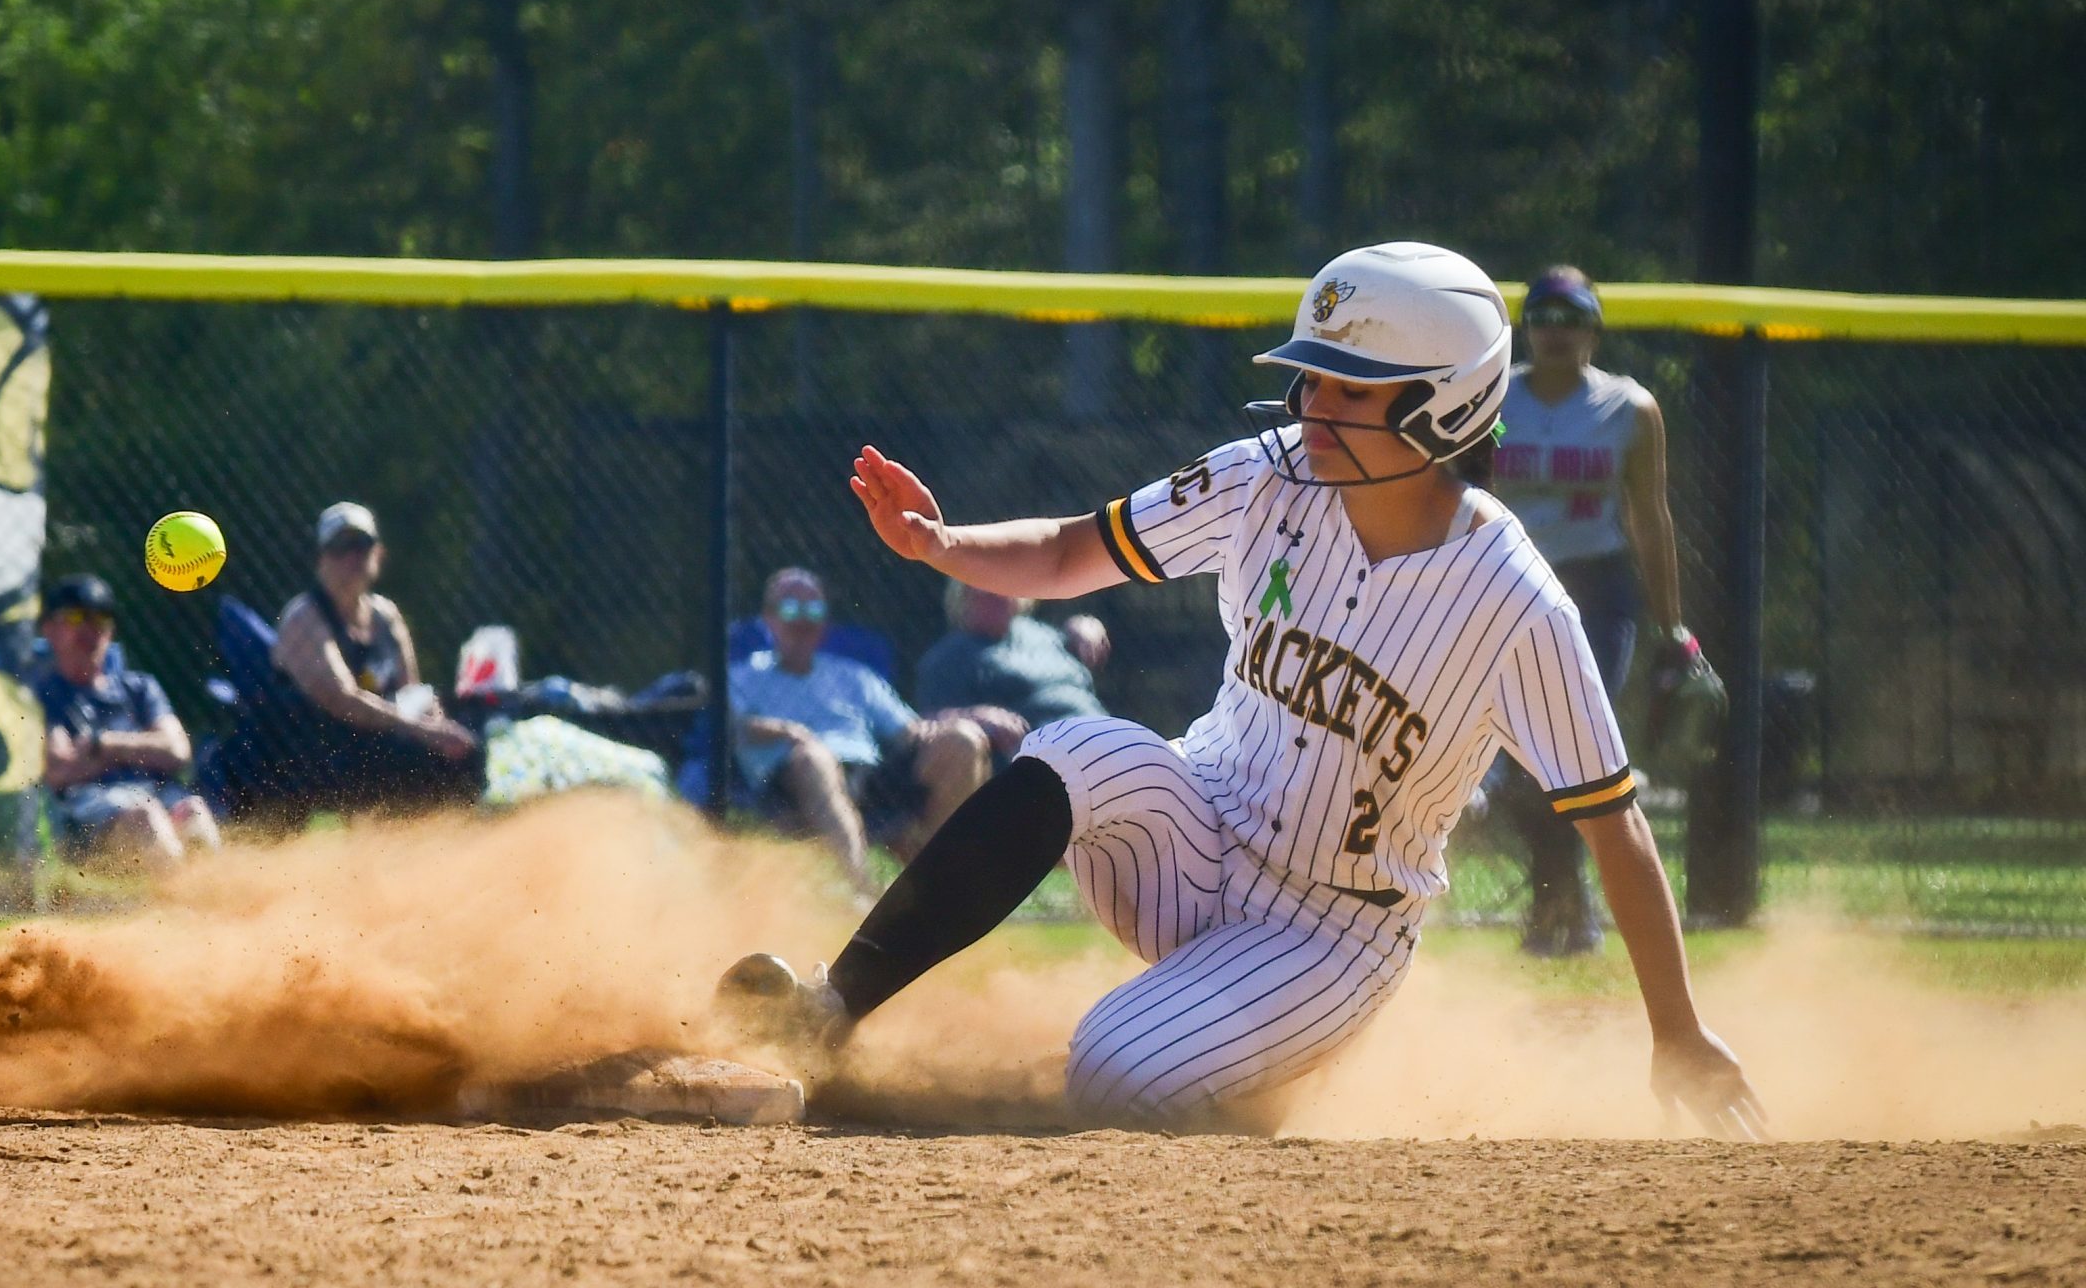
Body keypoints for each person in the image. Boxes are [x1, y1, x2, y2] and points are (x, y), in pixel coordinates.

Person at [719, 242, 1763, 1139]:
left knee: (1114, 1070)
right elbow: (1073, 551)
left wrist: (1676, 1031)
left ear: (1442, 408)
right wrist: (941, 545)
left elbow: (1613, 822)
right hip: (1194, 829)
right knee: (1074, 748)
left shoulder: (1515, 604)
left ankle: (1230, 1058)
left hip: (1328, 929)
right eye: (1310, 378)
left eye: (1351, 388)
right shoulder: (1269, 474)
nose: (1313, 406)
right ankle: (829, 1009)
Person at [1491, 266, 1708, 956]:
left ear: (1595, 328)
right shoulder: (1491, 396)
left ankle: (1562, 910)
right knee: (1522, 760)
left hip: (1595, 591)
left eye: (1572, 317)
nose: (1556, 331)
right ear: (1526, 327)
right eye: (1543, 317)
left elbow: (1650, 517)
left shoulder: (1628, 407)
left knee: (1572, 744)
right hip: (1506, 585)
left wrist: (1672, 625)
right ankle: (1560, 902)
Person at [731, 567, 992, 891]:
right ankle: (861, 889)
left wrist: (960, 722)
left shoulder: (853, 676)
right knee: (814, 757)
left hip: (867, 776)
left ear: (826, 621)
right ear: (768, 619)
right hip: (790, 784)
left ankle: (938, 881)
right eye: (790, 609)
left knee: (962, 739)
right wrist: (786, 731)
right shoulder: (744, 676)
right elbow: (734, 729)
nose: (803, 620)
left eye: (814, 610)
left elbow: (909, 729)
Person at [253, 502, 484, 817]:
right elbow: (343, 700)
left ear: (378, 553)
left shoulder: (386, 615)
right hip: (318, 753)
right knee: (415, 754)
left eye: (361, 545)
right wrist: (423, 730)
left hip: (378, 739)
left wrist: (435, 721)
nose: (352, 557)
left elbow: (409, 691)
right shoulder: (304, 618)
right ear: (321, 558)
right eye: (340, 547)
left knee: (467, 744)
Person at [31, 573, 223, 865]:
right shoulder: (43, 696)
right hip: (89, 813)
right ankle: (189, 892)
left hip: (156, 795)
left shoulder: (139, 688)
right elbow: (60, 770)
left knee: (193, 810)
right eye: (75, 617)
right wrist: (142, 751)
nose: (89, 628)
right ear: (49, 629)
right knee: (145, 815)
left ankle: (223, 891)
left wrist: (103, 745)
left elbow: (178, 752)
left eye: (100, 618)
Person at [914, 581, 1110, 756]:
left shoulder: (1042, 634)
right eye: (984, 590)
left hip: (1100, 728)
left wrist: (1087, 625)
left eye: (1003, 585)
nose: (996, 595)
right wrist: (975, 716)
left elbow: (1085, 640)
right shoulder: (949, 657)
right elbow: (927, 725)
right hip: (1049, 750)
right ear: (962, 597)